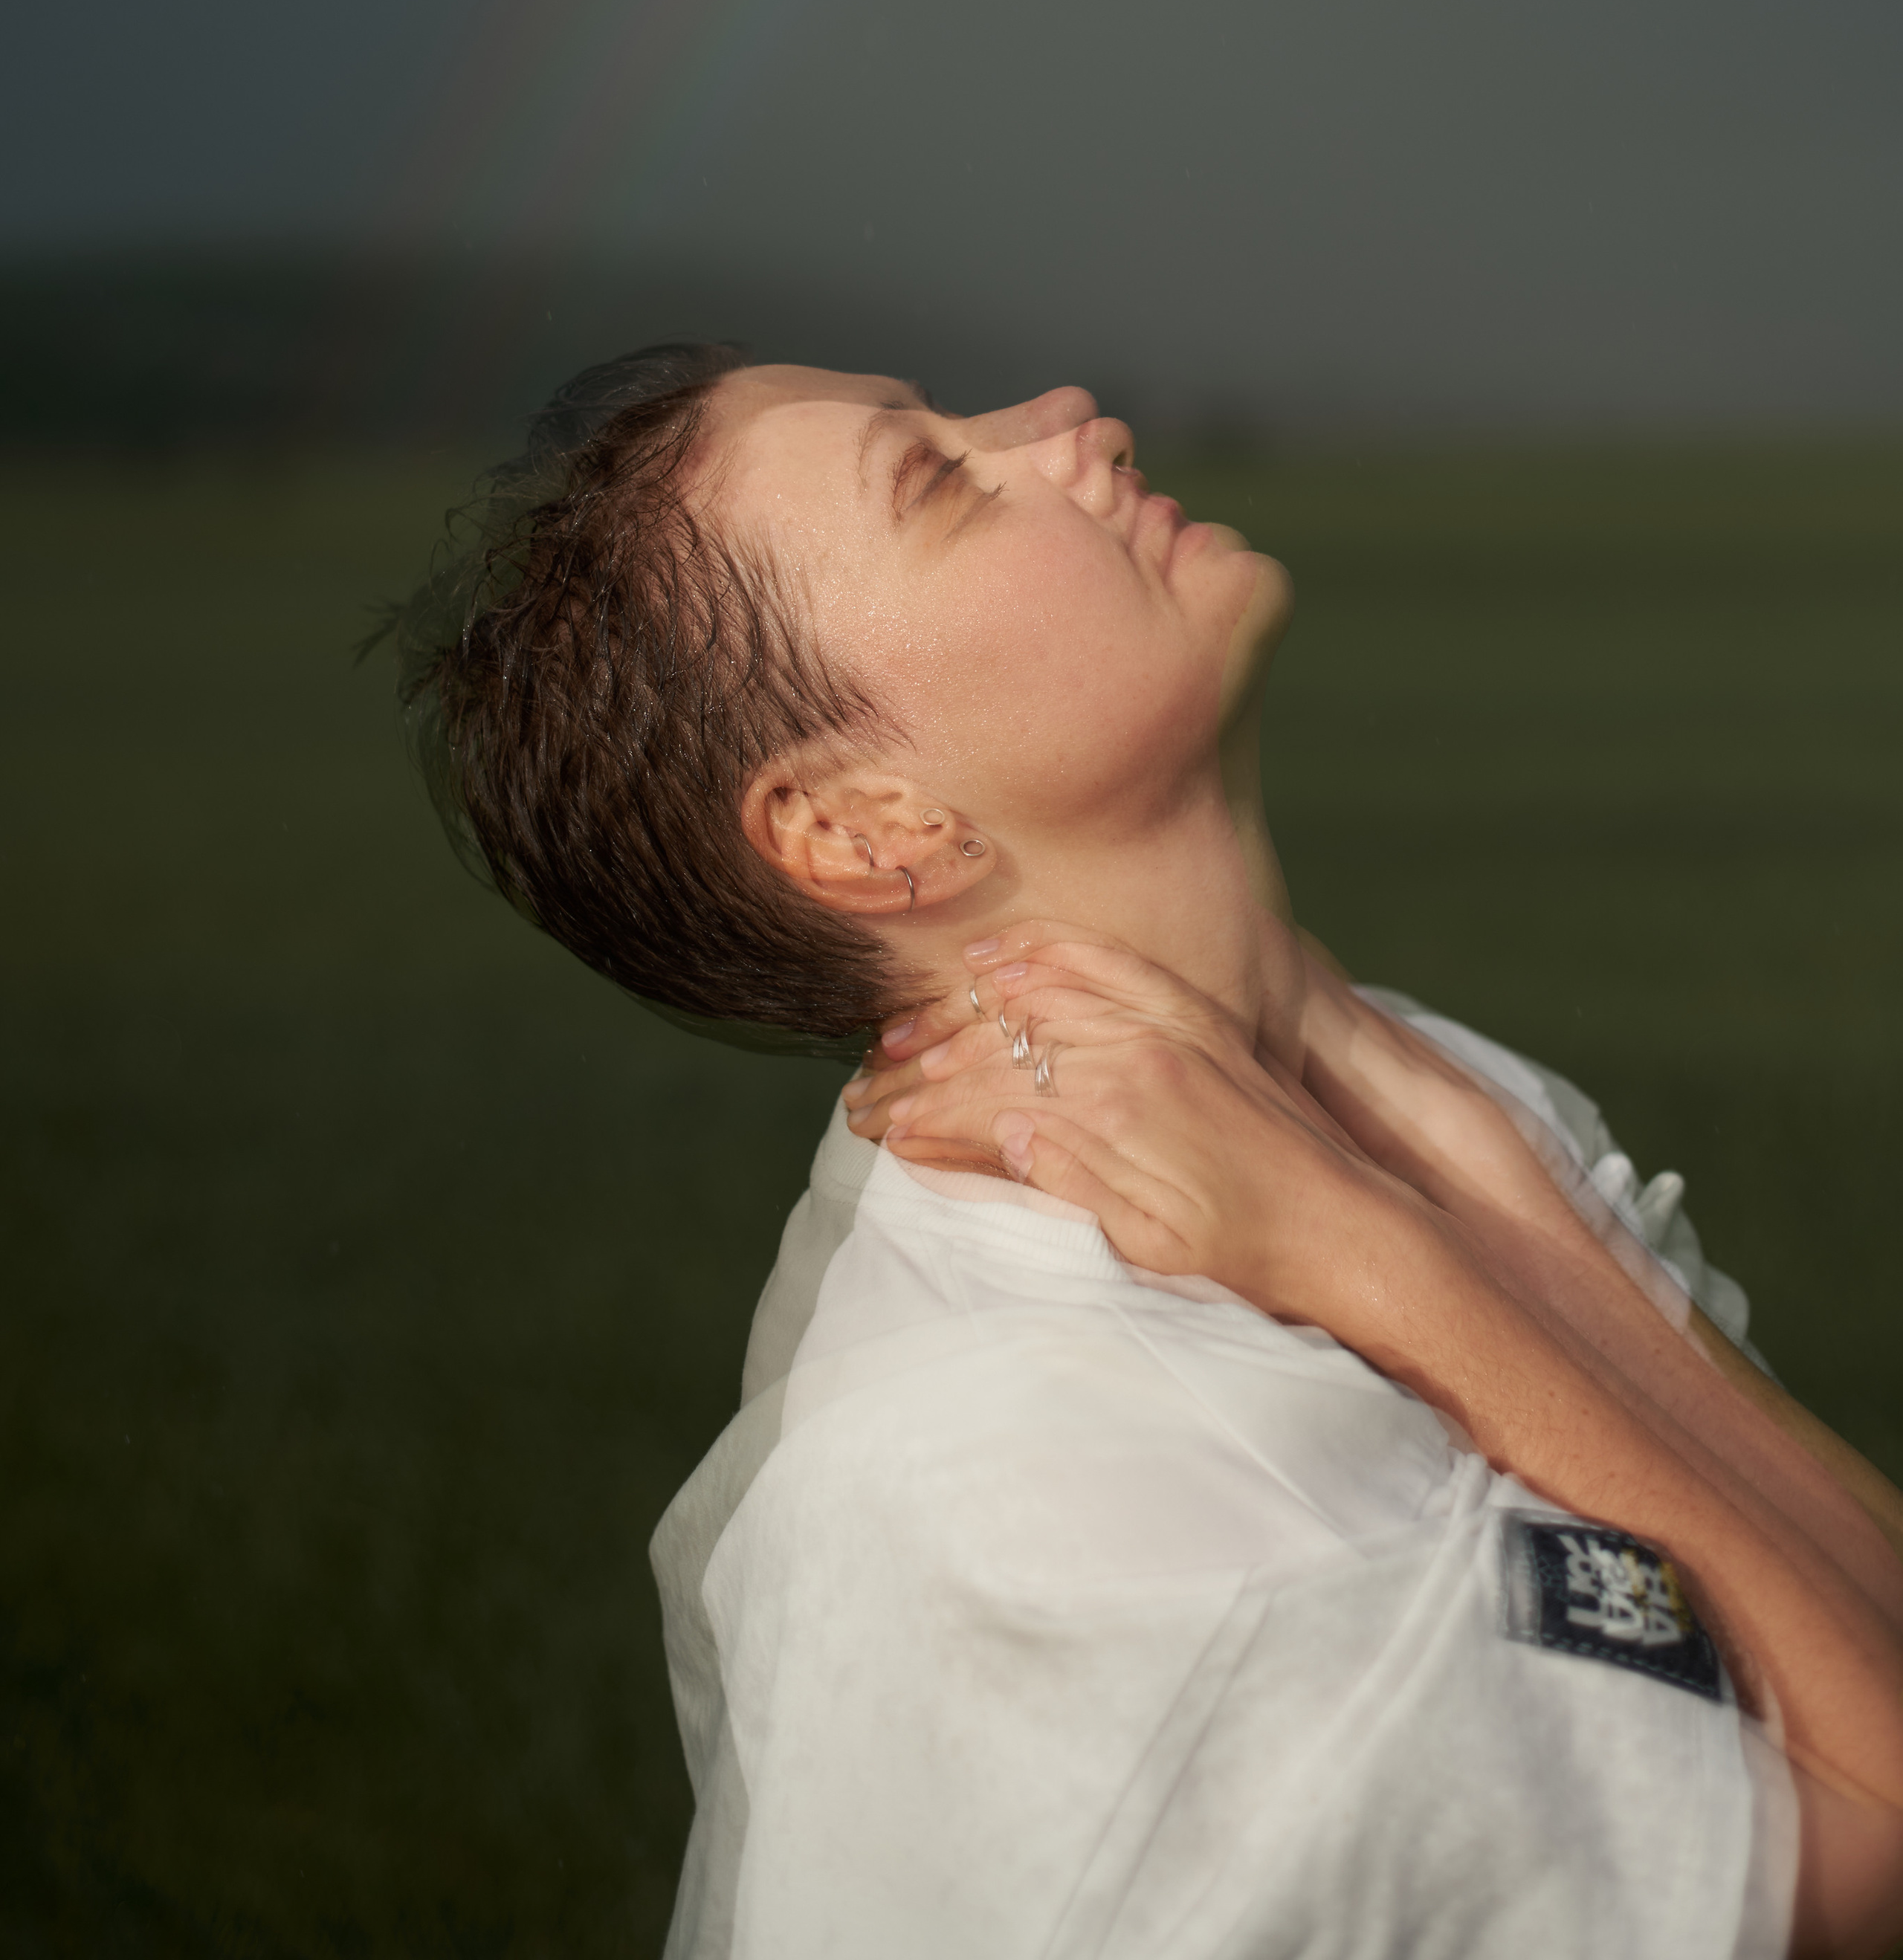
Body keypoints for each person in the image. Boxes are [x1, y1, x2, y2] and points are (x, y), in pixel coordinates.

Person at [390, 343, 1903, 1959]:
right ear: (864, 826)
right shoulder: (1045, 1493)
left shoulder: (1422, 1093)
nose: (1060, 420)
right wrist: (1392, 1265)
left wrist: (1452, 1173)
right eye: (934, 478)